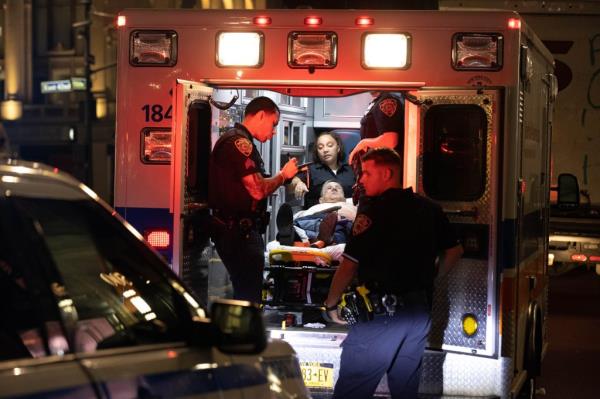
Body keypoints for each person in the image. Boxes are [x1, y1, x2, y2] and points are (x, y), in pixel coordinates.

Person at [323, 147, 463, 399]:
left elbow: (348, 266)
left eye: (366, 173)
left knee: (351, 392)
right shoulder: (429, 208)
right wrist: (430, 278)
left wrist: (331, 305)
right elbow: (454, 251)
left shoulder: (372, 213)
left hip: (380, 316)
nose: (361, 179)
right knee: (405, 392)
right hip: (417, 316)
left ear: (387, 173)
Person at [208, 96, 298, 303]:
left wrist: (282, 179)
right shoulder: (239, 143)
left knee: (248, 291)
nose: (274, 131)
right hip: (238, 234)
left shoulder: (241, 141)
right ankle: (244, 334)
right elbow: (257, 190)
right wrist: (283, 176)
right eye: (273, 124)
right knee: (248, 295)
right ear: (260, 115)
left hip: (240, 232)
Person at [290, 131, 355, 209]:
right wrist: (298, 183)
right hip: (316, 217)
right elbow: (295, 179)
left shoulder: (351, 170)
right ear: (317, 152)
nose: (325, 150)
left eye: (330, 145)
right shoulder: (311, 170)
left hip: (347, 214)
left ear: (338, 148)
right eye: (320, 147)